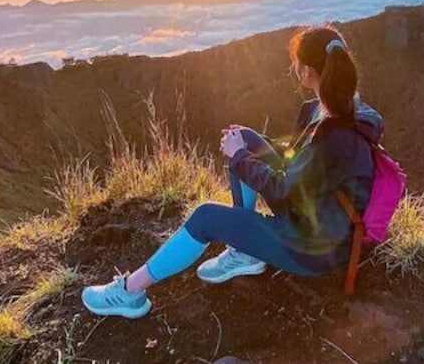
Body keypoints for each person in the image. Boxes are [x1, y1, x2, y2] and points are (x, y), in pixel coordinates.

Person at [81, 26, 385, 318]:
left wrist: (239, 157)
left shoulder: (334, 134)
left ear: (306, 72)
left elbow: (284, 189)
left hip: (314, 247)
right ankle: (246, 252)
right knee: (247, 137)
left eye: (296, 62)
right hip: (319, 216)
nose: (293, 66)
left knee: (206, 217)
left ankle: (129, 293)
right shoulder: (341, 110)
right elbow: (301, 172)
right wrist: (245, 149)